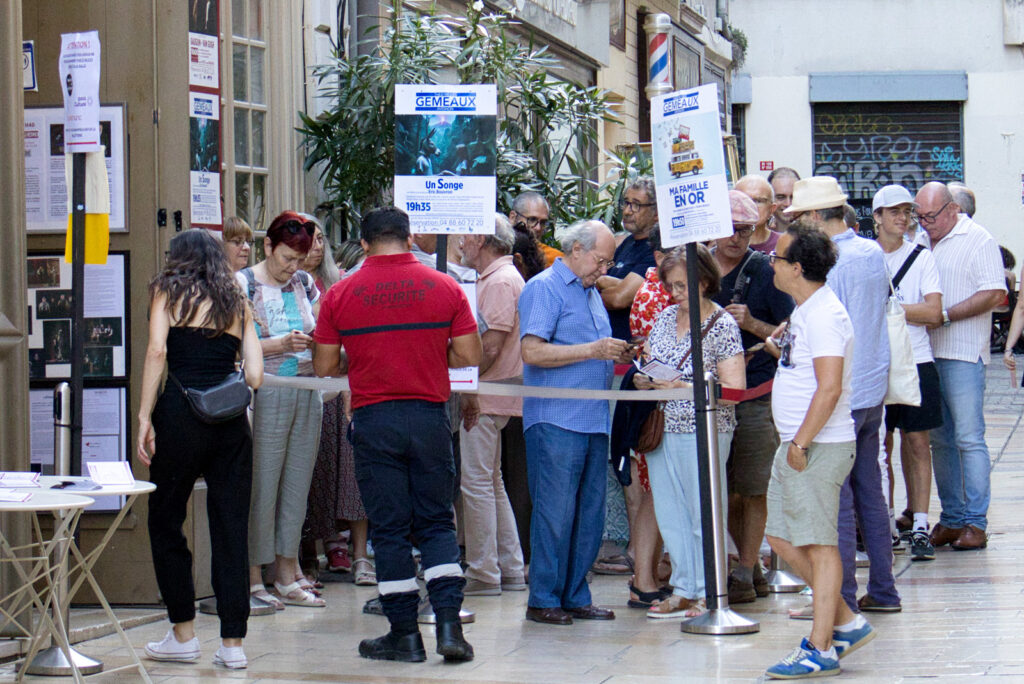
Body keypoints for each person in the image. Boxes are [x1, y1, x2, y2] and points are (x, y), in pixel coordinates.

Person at [313, 206, 481, 663]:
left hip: (374, 419)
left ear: (364, 244)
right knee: (436, 522)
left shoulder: (340, 294)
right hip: (429, 417)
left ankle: (404, 634)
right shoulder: (445, 286)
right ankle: (449, 627)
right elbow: (469, 354)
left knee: (389, 531)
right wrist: (426, 351)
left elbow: (325, 366)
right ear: (409, 239)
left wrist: (366, 358)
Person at [139, 230, 263, 670]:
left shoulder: (167, 291)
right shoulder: (237, 300)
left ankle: (183, 633)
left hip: (179, 416)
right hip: (230, 424)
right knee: (231, 528)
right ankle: (233, 646)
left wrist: (143, 416)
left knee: (166, 519)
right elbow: (254, 376)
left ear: (178, 258)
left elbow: (157, 351)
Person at [763, 223, 874, 679]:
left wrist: (802, 443)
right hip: (797, 443)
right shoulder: (806, 309)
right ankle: (845, 622)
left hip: (815, 445)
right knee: (781, 537)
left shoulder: (825, 314)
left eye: (778, 256)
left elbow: (829, 389)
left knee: (819, 544)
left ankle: (820, 645)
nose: (771, 261)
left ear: (796, 268)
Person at [785, 176, 899, 615]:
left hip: (843, 393)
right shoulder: (871, 251)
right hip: (871, 388)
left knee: (837, 500)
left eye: (799, 217)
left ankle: (841, 596)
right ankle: (885, 590)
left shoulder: (833, 261)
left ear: (816, 216)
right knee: (870, 490)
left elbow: (832, 330)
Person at [518, 219, 633, 625]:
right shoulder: (544, 288)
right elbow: (532, 352)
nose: (604, 269)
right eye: (601, 261)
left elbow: (592, 348)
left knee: (589, 514)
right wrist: (594, 349)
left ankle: (575, 594)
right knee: (555, 512)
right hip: (556, 419)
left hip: (592, 420)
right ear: (577, 250)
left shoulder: (590, 293)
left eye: (608, 263)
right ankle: (544, 597)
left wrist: (613, 352)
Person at [635, 245, 745, 619]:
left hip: (705, 428)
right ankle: (684, 587)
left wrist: (679, 385)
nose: (675, 292)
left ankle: (709, 590)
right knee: (670, 512)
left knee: (704, 511)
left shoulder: (722, 324)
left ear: (705, 281)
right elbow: (649, 360)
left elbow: (734, 389)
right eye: (671, 285)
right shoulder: (665, 318)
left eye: (683, 285)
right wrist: (644, 377)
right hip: (664, 426)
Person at [238, 211, 326, 609]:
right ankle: (255, 574)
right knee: (262, 483)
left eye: (299, 260)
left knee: (297, 482)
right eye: (287, 258)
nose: (293, 267)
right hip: (266, 391)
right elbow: (238, 343)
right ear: (268, 246)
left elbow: (324, 324)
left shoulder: (304, 283)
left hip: (307, 388)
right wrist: (278, 345)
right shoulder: (244, 283)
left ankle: (288, 571)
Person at [711, 191, 794, 603]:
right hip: (714, 395)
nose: (737, 238)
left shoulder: (766, 270)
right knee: (723, 486)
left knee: (754, 485)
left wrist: (754, 324)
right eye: (729, 229)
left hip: (758, 391)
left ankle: (746, 567)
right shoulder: (700, 266)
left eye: (745, 230)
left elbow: (790, 335)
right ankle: (747, 564)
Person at [913, 182, 1006, 550]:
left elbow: (994, 292)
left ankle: (975, 522)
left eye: (931, 216)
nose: (925, 224)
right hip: (926, 350)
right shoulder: (921, 240)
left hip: (964, 352)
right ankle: (951, 518)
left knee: (968, 438)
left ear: (952, 210)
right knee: (941, 440)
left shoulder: (978, 238)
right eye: (920, 217)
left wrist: (946, 315)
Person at [299, 215, 373, 584]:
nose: (315, 245)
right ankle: (309, 556)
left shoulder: (340, 285)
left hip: (342, 387)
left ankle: (361, 555)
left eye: (320, 238)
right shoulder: (289, 285)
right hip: (302, 387)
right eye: (307, 238)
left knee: (352, 473)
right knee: (313, 475)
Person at [871, 185, 944, 562]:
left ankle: (919, 522)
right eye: (894, 211)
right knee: (880, 443)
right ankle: (883, 520)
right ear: (877, 217)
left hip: (916, 360)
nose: (903, 218)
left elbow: (934, 313)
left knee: (918, 443)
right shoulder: (866, 256)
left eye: (907, 212)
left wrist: (888, 308)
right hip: (877, 361)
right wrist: (904, 309)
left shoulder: (921, 255)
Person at [456, 215, 528, 596]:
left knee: (477, 483)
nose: (460, 243)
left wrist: (468, 388)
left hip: (488, 394)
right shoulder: (500, 277)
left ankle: (484, 570)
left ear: (482, 237)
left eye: (465, 234)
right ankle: (510, 566)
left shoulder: (499, 280)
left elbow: (492, 345)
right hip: (495, 392)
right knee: (491, 482)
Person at [597, 176, 659, 341]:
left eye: (636, 205)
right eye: (626, 202)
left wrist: (598, 287)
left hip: (633, 353)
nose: (626, 211)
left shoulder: (656, 250)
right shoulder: (627, 242)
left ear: (657, 213)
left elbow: (619, 299)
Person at [510, 192, 561, 267]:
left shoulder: (554, 259)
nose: (538, 228)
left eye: (543, 222)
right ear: (513, 217)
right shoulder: (495, 252)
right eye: (532, 220)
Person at [734, 174, 780, 253]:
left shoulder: (784, 244)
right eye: (744, 200)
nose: (750, 206)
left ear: (772, 209)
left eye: (758, 201)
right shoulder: (724, 244)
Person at [767, 167, 800, 231]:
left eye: (793, 197)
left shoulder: (814, 236)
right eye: (781, 197)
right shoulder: (758, 236)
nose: (788, 204)